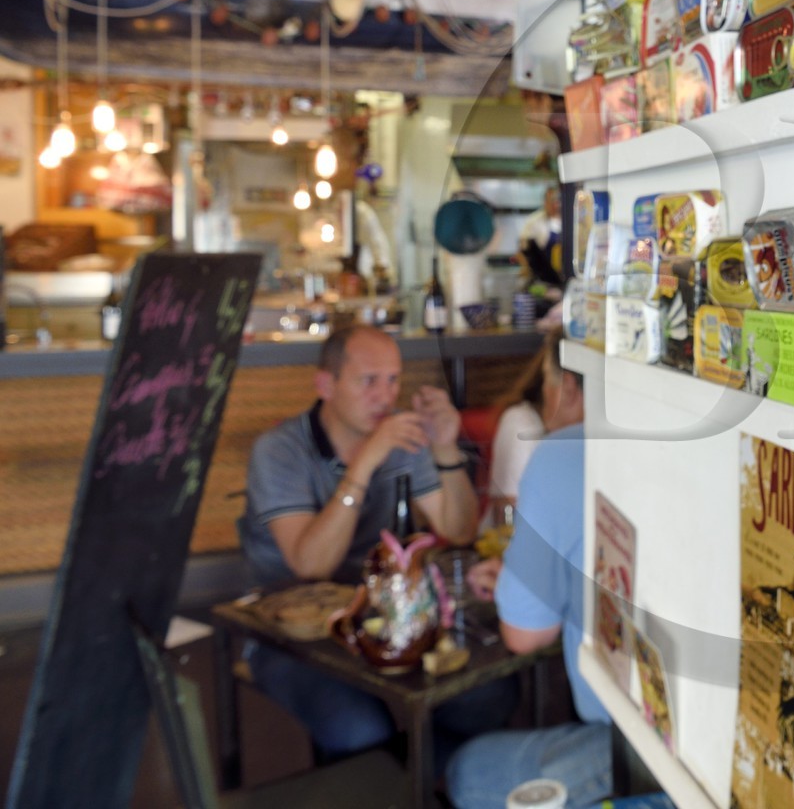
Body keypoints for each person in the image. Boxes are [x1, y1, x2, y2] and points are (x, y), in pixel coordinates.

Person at [238, 324, 517, 759]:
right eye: (369, 381)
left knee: (488, 698)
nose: (385, 396)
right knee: (357, 730)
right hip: (293, 630)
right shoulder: (279, 451)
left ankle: (404, 786)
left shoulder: (402, 441)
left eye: (392, 380)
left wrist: (444, 449)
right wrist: (365, 462)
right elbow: (311, 566)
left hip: (389, 615)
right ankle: (380, 780)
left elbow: (459, 529)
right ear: (325, 385)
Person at [445, 341, 614, 809]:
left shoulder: (562, 451)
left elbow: (525, 636)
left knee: (467, 771)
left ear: (571, 389)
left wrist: (525, 580)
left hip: (642, 752)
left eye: (547, 385)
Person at [485, 336, 584, 515]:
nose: (543, 389)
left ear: (568, 388)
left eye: (546, 378)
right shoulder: (522, 425)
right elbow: (510, 522)